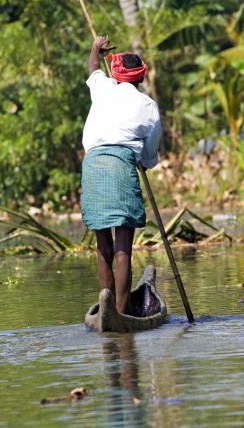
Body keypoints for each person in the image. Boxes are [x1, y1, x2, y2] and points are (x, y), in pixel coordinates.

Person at [81, 36, 161, 315]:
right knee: (122, 247)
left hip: (92, 165)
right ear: (141, 78)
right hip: (121, 164)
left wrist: (95, 49)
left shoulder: (102, 89)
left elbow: (93, 69)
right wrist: (145, 162)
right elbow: (150, 152)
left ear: (116, 74)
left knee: (103, 243)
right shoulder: (147, 105)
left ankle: (108, 310)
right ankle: (122, 312)